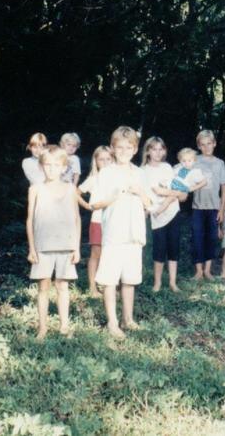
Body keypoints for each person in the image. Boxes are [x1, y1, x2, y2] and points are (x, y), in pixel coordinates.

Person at [90, 126, 152, 339]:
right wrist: (113, 196)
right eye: (120, 147)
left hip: (134, 234)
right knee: (109, 279)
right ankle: (112, 322)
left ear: (135, 149)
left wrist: (140, 192)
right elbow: (95, 203)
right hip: (114, 234)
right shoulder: (106, 173)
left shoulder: (140, 173)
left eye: (129, 147)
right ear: (113, 149)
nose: (124, 151)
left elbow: (150, 204)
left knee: (130, 279)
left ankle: (128, 318)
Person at [26, 145, 81, 340]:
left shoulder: (70, 188)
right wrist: (32, 248)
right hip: (43, 247)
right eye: (47, 165)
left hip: (66, 246)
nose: (51, 169)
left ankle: (64, 326)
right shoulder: (35, 189)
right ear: (41, 166)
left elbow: (76, 219)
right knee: (43, 288)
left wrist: (76, 247)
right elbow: (30, 219)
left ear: (64, 167)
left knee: (63, 287)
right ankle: (42, 328)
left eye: (56, 165)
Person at [141, 137, 188, 293]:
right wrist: (150, 208)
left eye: (161, 149)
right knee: (159, 250)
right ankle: (157, 282)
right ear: (147, 151)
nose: (157, 152)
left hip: (173, 211)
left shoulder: (168, 167)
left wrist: (171, 194)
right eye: (154, 149)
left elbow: (177, 191)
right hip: (156, 214)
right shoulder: (143, 171)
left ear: (165, 151)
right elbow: (146, 194)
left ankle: (173, 283)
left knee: (173, 247)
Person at [78, 145, 114, 298]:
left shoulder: (118, 178)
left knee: (112, 255)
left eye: (108, 159)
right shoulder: (93, 179)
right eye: (101, 159)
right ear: (96, 161)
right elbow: (75, 192)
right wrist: (86, 205)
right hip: (97, 222)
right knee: (96, 254)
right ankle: (93, 288)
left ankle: (110, 287)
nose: (105, 162)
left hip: (114, 222)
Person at [192, 130, 225, 280]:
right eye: (203, 144)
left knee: (211, 238)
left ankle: (207, 270)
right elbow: (181, 175)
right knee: (197, 238)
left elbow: (224, 187)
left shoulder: (220, 163)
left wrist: (221, 209)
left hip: (214, 207)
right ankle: (198, 271)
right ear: (199, 146)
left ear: (214, 144)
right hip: (197, 207)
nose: (207, 147)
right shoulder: (194, 160)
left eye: (209, 144)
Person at [153, 147, 206, 216]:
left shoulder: (195, 171)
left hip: (182, 188)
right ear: (180, 160)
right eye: (184, 161)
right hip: (173, 185)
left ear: (194, 160)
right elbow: (171, 175)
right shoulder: (178, 167)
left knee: (166, 194)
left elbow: (204, 182)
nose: (186, 163)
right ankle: (157, 212)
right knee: (169, 198)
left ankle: (160, 197)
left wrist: (192, 188)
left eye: (189, 161)